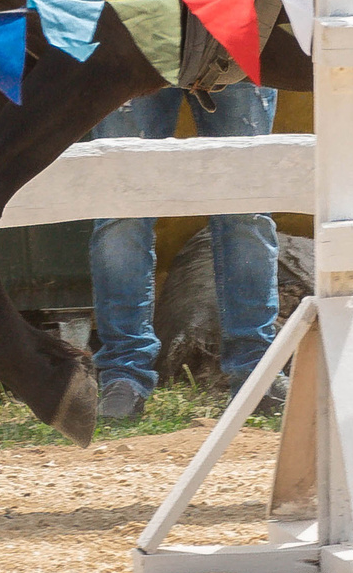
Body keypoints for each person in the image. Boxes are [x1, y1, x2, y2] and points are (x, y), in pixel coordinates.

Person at [88, 83, 282, 421]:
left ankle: (258, 373)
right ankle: (122, 376)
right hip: (141, 31)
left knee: (246, 208)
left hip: (228, 32)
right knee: (122, 209)